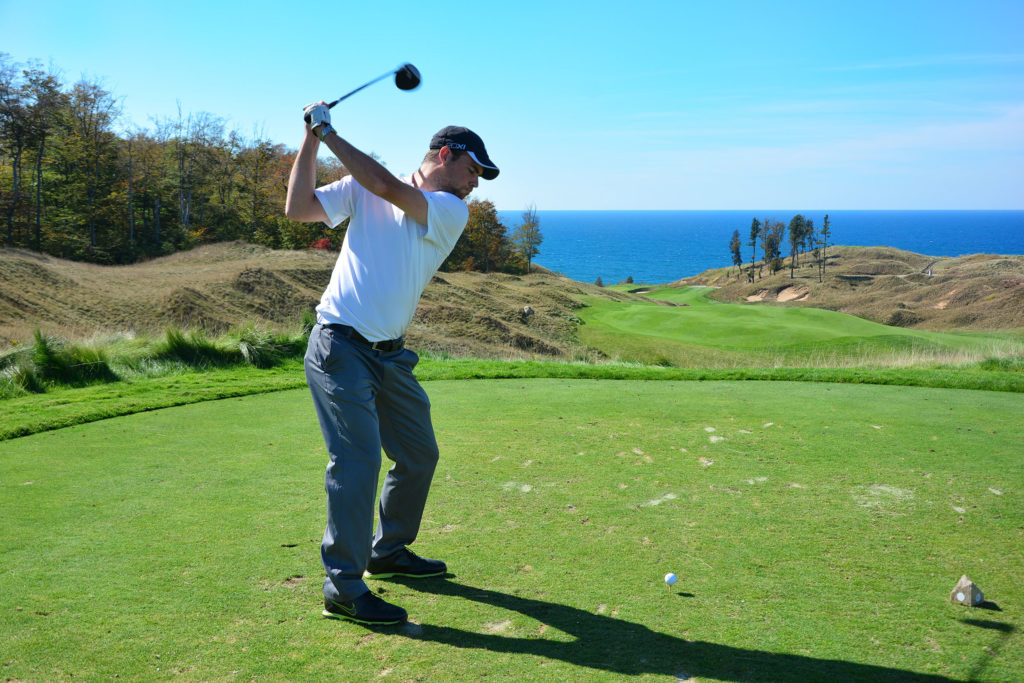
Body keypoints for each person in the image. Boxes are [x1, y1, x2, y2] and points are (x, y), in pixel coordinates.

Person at [284, 102, 499, 626]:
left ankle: (388, 551)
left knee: (419, 454)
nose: (475, 184)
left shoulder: (449, 209)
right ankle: (343, 586)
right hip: (339, 347)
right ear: (446, 155)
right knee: (357, 463)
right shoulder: (364, 184)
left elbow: (385, 186)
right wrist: (312, 139)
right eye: (473, 170)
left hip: (391, 357)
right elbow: (298, 208)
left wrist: (329, 130)